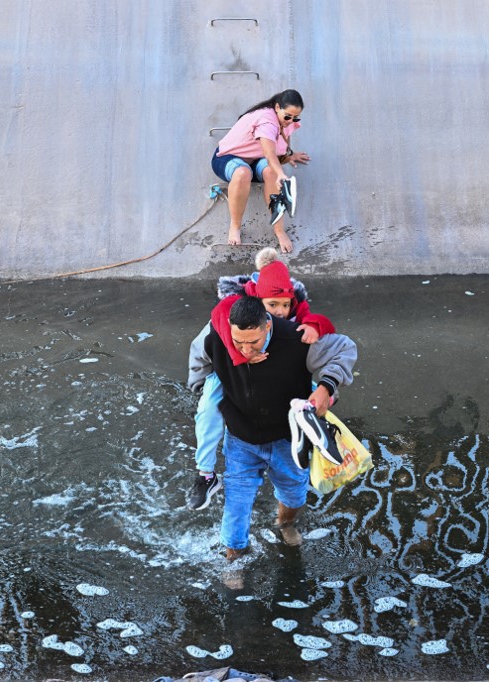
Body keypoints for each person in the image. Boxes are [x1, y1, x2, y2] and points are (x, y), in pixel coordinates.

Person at [188, 295, 357, 560]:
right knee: (236, 506)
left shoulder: (297, 339)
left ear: (267, 325)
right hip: (240, 438)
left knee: (294, 497)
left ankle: (285, 525)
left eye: (253, 342)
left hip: (287, 440)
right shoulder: (215, 335)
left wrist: (327, 386)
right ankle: (234, 562)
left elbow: (345, 349)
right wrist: (201, 388)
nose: (245, 351)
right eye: (238, 342)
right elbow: (198, 357)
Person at [186, 249, 335, 512]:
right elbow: (210, 341)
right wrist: (242, 356)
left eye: (285, 305)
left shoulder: (293, 306)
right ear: (257, 300)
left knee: (314, 393)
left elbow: (320, 323)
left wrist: (315, 326)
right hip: (231, 373)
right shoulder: (234, 307)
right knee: (208, 407)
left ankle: (314, 431)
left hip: (277, 382)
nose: (280, 312)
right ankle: (206, 474)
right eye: (272, 305)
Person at [212, 89, 312, 254]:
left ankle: (279, 230)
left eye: (296, 117)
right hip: (227, 158)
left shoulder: (286, 119)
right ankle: (235, 226)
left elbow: (281, 147)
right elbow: (269, 153)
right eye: (288, 116)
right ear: (277, 107)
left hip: (255, 160)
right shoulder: (267, 121)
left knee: (271, 174)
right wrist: (281, 173)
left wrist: (290, 156)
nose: (291, 121)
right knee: (243, 173)